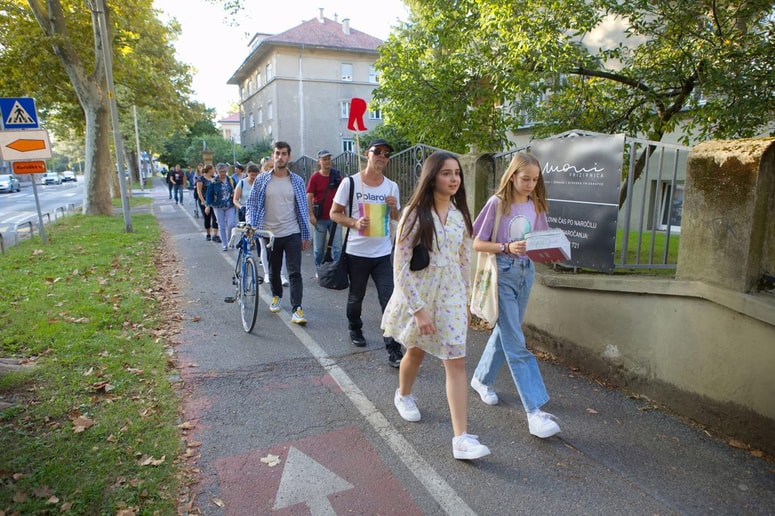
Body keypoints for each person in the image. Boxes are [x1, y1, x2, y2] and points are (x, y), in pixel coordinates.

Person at [382, 151, 490, 460]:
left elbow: (464, 261)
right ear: (432, 176)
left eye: (457, 173)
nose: (454, 178)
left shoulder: (460, 216)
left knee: (456, 362)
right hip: (421, 295)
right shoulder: (415, 214)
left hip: (452, 298)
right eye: (446, 173)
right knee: (415, 351)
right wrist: (418, 309)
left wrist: (467, 303)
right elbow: (400, 267)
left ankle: (462, 439)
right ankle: (403, 395)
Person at [469, 152, 561, 439]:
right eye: (525, 178)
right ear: (512, 176)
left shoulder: (537, 205)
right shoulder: (497, 204)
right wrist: (507, 247)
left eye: (535, 179)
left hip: (526, 273)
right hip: (503, 273)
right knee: (516, 340)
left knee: (506, 331)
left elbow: (540, 241)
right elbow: (477, 243)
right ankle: (535, 411)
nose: (531, 184)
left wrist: (552, 249)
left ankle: (481, 379)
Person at [330, 139, 404, 368]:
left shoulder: (391, 186)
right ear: (368, 154)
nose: (382, 156)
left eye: (387, 154)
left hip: (382, 253)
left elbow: (397, 218)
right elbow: (334, 213)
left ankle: (393, 348)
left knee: (389, 300)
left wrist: (394, 208)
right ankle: (355, 327)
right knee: (356, 296)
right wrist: (354, 222)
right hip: (357, 253)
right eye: (378, 152)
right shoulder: (350, 183)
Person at [246, 142, 311, 325]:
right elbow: (251, 204)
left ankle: (297, 308)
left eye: (284, 154)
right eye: (277, 154)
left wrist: (305, 234)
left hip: (292, 232)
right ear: (272, 156)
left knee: (294, 272)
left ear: (289, 157)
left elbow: (302, 209)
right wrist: (252, 225)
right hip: (270, 234)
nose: (280, 157)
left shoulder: (297, 180)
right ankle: (276, 295)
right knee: (274, 270)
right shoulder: (261, 180)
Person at [306, 149, 343, 274]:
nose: (327, 161)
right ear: (319, 161)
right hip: (320, 218)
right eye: (324, 159)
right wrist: (311, 214)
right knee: (319, 249)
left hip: (336, 217)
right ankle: (320, 270)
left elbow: (344, 193)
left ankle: (337, 270)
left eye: (329, 159)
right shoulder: (315, 177)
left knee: (337, 247)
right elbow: (309, 196)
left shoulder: (336, 175)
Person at [254, 158, 288, 286]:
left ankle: (282, 275)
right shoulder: (260, 181)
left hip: (280, 221)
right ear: (263, 168)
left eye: (271, 166)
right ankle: (267, 273)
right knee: (264, 247)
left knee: (281, 248)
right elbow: (253, 203)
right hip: (263, 221)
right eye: (267, 167)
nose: (270, 169)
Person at [205, 163, 237, 251]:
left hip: (229, 205)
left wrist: (235, 195)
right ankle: (225, 244)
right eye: (221, 171)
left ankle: (230, 240)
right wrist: (207, 206)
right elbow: (209, 194)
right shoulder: (214, 182)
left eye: (224, 171)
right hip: (218, 206)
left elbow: (237, 189)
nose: (223, 173)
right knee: (221, 225)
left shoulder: (230, 179)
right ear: (217, 171)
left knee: (231, 224)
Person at [196, 164, 219, 242]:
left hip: (213, 201)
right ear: (210, 170)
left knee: (215, 217)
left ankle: (215, 235)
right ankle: (208, 234)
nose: (214, 171)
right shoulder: (201, 179)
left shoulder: (214, 178)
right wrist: (203, 201)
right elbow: (199, 191)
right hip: (204, 200)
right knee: (207, 217)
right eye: (213, 169)